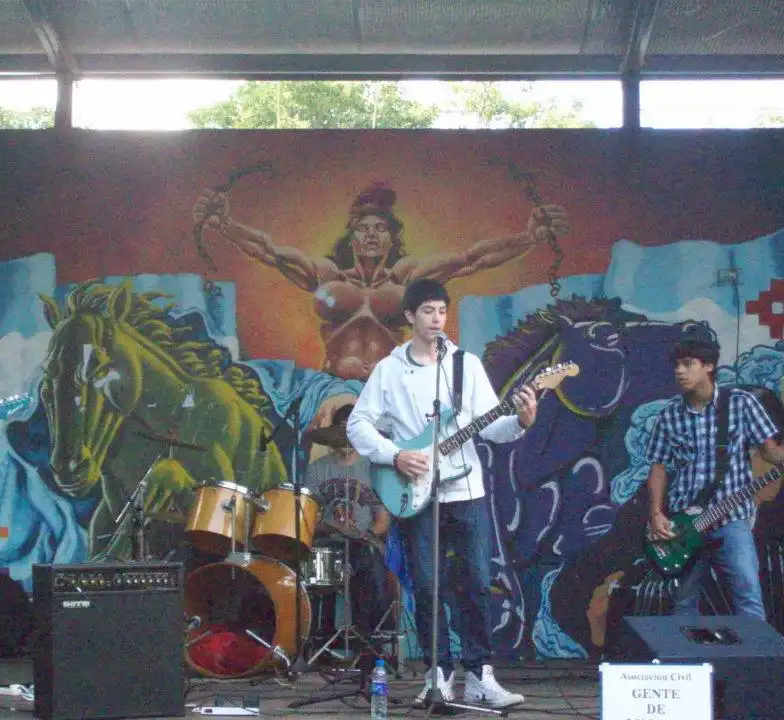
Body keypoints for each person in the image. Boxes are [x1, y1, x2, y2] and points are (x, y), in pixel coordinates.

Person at [346, 278, 536, 709]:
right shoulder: (390, 370)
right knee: (427, 587)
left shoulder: (465, 365)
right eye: (428, 311)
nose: (437, 319)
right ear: (410, 317)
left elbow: (491, 426)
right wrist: (395, 455)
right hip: (416, 494)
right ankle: (439, 675)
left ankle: (481, 675)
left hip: (466, 491)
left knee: (476, 583)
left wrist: (521, 422)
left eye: (442, 311)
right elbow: (357, 424)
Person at [193, 182, 568, 381]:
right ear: (352, 238)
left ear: (391, 238)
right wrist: (226, 225)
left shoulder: (408, 277)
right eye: (363, 228)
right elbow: (269, 251)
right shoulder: (327, 275)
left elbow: (471, 259)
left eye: (380, 229)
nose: (372, 234)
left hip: (389, 387)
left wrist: (528, 238)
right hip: (334, 387)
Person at [645, 336, 784, 619]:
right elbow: (658, 467)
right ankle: (687, 650)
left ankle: (752, 649)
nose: (679, 371)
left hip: (731, 519)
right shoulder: (669, 415)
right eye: (676, 365)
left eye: (688, 364)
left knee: (748, 598)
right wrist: (656, 513)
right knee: (683, 605)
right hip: (684, 524)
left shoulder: (741, 404)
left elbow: (770, 453)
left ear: (708, 366)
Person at [303, 404, 393, 637]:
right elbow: (308, 516)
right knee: (316, 563)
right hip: (328, 542)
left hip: (363, 542)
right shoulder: (317, 470)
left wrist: (366, 535)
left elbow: (383, 518)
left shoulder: (373, 469)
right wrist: (329, 526)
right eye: (341, 432)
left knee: (368, 563)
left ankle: (371, 640)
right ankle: (320, 639)